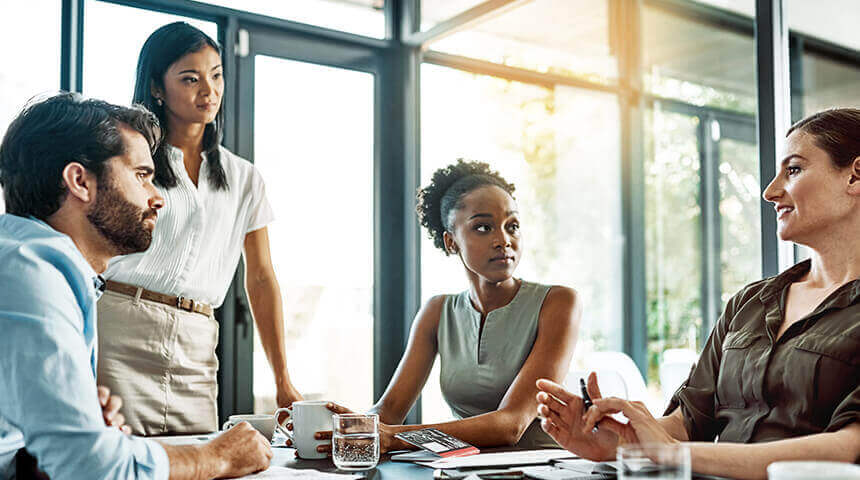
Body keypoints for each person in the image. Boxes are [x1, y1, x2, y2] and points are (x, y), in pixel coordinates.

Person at [536, 108, 860, 479]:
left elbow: (846, 448)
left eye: (794, 169)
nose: (770, 192)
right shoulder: (750, 303)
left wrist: (672, 452)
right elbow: (688, 421)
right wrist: (621, 443)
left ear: (855, 175)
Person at [0, 93, 272, 479]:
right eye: (142, 175)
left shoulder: (33, 265)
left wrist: (74, 431)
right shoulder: (28, 275)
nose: (157, 197)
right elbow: (91, 468)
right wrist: (216, 458)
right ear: (80, 181)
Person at [97, 22, 301, 436]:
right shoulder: (128, 161)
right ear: (157, 87)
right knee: (120, 464)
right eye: (190, 79)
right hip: (119, 330)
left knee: (200, 463)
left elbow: (260, 278)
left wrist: (282, 379)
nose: (208, 91)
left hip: (197, 341)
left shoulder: (244, 177)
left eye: (216, 75)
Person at [314, 160, 581, 454]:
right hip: (466, 471)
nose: (503, 240)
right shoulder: (437, 311)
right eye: (483, 227)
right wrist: (330, 430)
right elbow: (388, 411)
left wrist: (396, 437)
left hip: (549, 471)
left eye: (512, 226)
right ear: (451, 242)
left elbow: (511, 424)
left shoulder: (558, 302)